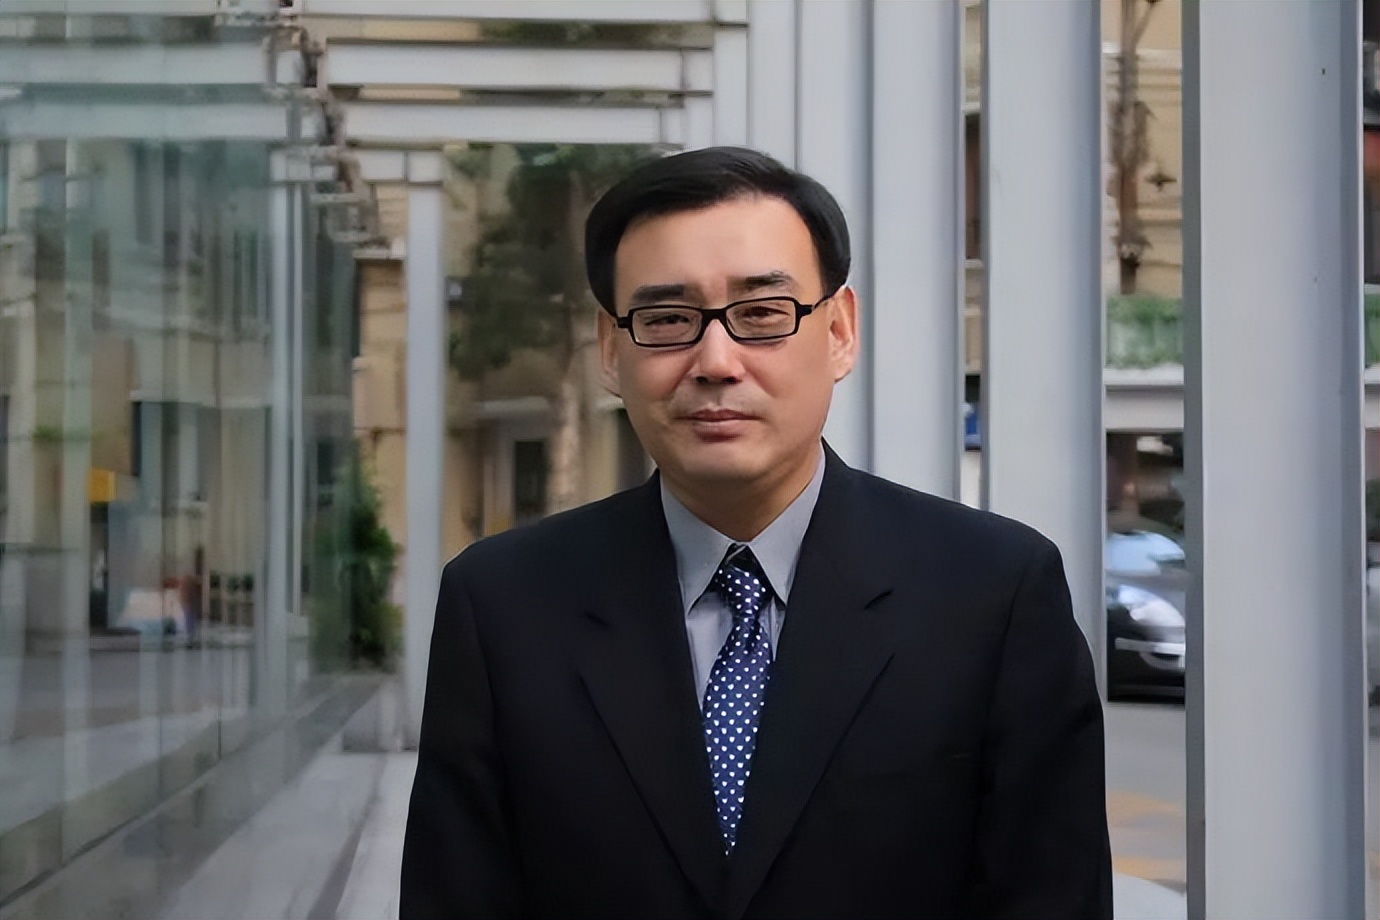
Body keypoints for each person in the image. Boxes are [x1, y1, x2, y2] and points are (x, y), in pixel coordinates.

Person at [400, 147, 1112, 919]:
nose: (715, 361)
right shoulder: (502, 606)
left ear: (839, 331)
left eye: (762, 314)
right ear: (611, 350)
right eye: (666, 320)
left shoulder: (994, 594)